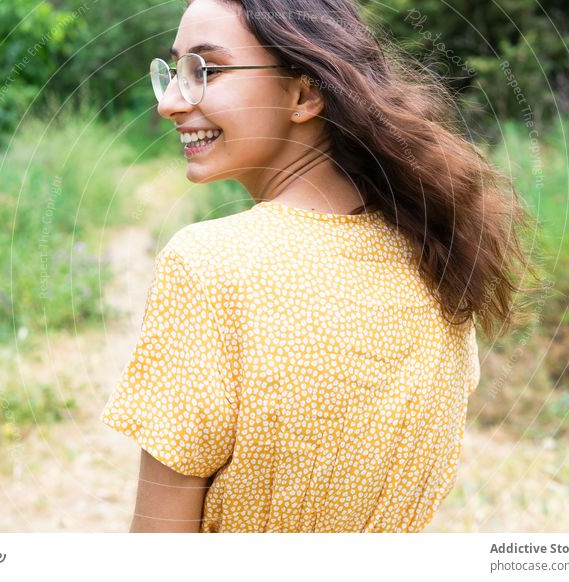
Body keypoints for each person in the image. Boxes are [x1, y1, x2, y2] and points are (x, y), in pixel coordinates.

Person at [100, 0, 538, 533]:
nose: (170, 101)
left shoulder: (209, 267)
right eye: (174, 73)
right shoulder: (440, 252)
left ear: (304, 94)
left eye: (206, 71)